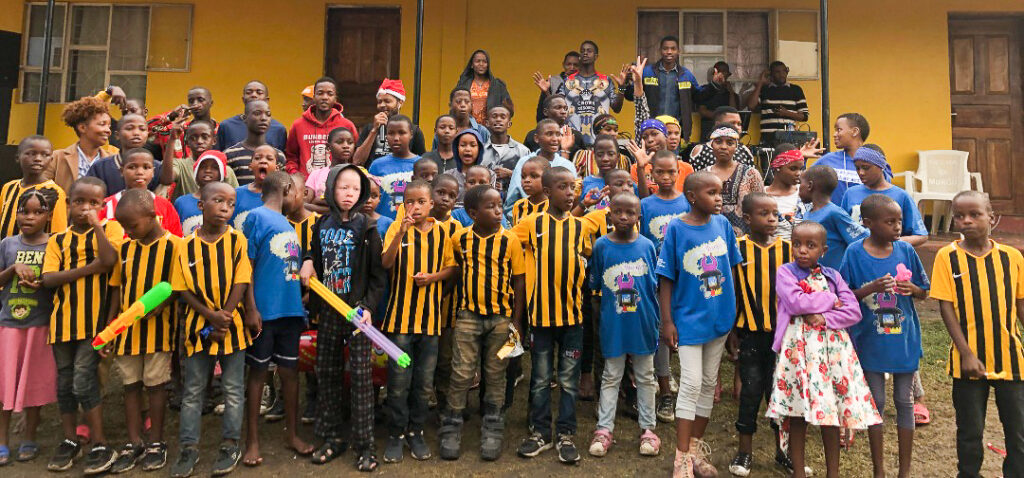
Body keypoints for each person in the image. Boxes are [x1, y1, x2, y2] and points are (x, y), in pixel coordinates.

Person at [766, 221, 881, 478]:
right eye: (797, 244)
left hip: (832, 355)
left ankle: (833, 473)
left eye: (810, 245)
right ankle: (798, 472)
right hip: (798, 353)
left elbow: (852, 311)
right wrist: (830, 300)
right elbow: (796, 303)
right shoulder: (786, 273)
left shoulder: (833, 276)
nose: (802, 250)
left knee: (831, 412)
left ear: (824, 250)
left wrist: (825, 318)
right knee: (798, 411)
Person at [298, 164, 386, 471]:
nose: (349, 194)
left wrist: (369, 308)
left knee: (362, 379)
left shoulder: (368, 227)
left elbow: (378, 277)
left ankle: (366, 446)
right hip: (329, 313)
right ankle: (332, 438)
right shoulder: (320, 224)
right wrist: (308, 261)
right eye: (343, 187)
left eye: (354, 189)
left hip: (358, 314)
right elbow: (312, 254)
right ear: (331, 189)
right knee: (328, 375)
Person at [932, 190, 1024, 477]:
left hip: (1011, 360)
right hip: (968, 362)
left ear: (992, 218)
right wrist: (968, 354)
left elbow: (1020, 305)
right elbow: (946, 309)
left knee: (1018, 433)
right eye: (959, 216)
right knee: (970, 433)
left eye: (975, 214)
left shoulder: (1012, 257)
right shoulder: (947, 257)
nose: (966, 221)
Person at [656, 171, 740, 478]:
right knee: (690, 383)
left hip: (720, 320)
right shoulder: (677, 229)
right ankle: (680, 458)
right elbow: (666, 278)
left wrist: (735, 321)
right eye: (712, 193)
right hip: (688, 321)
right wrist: (667, 321)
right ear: (692, 196)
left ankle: (694, 450)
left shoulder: (723, 225)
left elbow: (733, 270)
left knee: (707, 383)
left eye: (720, 192)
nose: (719, 198)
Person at [512, 166, 597, 464]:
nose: (570, 193)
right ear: (547, 192)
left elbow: (585, 256)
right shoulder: (531, 224)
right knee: (539, 378)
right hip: (541, 318)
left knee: (569, 379)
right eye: (563, 187)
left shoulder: (580, 227)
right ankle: (539, 433)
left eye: (572, 187)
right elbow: (510, 246)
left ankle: (566, 433)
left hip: (573, 318)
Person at [839, 194, 929, 478]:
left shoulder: (905, 251)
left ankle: (904, 470)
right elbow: (842, 296)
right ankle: (879, 469)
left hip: (904, 340)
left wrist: (912, 289)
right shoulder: (854, 253)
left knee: (905, 402)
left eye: (899, 221)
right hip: (870, 341)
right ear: (868, 223)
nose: (897, 227)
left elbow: (924, 291)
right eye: (890, 222)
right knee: (876, 401)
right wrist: (871, 288)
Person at [169, 182, 254, 478]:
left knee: (232, 388)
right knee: (193, 390)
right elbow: (181, 289)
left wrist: (225, 315)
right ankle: (188, 447)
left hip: (234, 327)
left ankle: (230, 443)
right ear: (201, 206)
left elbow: (242, 280)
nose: (225, 208)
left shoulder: (237, 240)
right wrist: (209, 316)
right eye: (218, 201)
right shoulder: (185, 245)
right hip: (197, 328)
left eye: (230, 204)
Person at [439, 184, 526, 461]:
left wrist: (517, 321)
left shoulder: (510, 240)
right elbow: (453, 275)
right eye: (491, 207)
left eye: (500, 205)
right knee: (461, 372)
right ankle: (452, 424)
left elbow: (519, 281)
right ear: (473, 213)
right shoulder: (460, 239)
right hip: (467, 316)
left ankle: (493, 424)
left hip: (501, 320)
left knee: (496, 373)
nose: (499, 211)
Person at [41, 177, 122, 474]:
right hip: (62, 323)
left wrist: (98, 225)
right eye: (79, 202)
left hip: (95, 324)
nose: (85, 208)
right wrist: (91, 269)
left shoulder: (110, 229)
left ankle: (100, 442)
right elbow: (48, 279)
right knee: (64, 383)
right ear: (68, 204)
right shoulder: (57, 240)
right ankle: (70, 438)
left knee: (82, 379)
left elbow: (110, 260)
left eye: (93, 203)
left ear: (103, 207)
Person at [104, 190, 182, 473]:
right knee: (130, 385)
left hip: (158, 332)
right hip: (127, 333)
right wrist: (111, 327)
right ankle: (134, 441)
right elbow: (117, 289)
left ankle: (156, 442)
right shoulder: (125, 249)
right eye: (123, 227)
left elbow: (179, 286)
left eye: (132, 226)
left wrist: (161, 306)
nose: (127, 231)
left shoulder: (176, 246)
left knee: (156, 385)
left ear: (153, 217)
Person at [380, 179, 458, 464]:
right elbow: (386, 263)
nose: (415, 207)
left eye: (421, 202)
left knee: (424, 382)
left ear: (431, 204)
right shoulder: (396, 228)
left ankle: (416, 431)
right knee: (399, 382)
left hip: (430, 324)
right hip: (399, 323)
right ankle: (396, 433)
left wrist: (432, 278)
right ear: (403, 205)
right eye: (409, 202)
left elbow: (452, 268)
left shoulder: (442, 232)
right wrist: (400, 232)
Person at [240, 172, 313, 465]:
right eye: (297, 189)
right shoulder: (256, 217)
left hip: (291, 312)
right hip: (265, 313)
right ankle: (252, 441)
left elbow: (289, 267)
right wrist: (250, 308)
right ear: (286, 189)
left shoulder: (287, 224)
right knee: (258, 374)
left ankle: (292, 434)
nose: (301, 195)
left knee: (290, 373)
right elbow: (246, 266)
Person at [587, 192, 662, 458]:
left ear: (638, 217)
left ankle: (648, 430)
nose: (623, 217)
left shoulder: (647, 247)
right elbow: (595, 284)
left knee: (644, 376)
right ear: (609, 213)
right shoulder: (601, 246)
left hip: (642, 323)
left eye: (630, 213)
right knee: (611, 376)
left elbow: (654, 287)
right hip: (613, 323)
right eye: (618, 211)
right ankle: (604, 429)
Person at [726, 193, 796, 477]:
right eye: (764, 213)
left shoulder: (789, 250)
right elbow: (732, 294)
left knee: (780, 394)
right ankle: (744, 452)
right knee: (751, 392)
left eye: (774, 213)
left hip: (783, 337)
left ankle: (784, 451)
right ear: (746, 218)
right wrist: (732, 332)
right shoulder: (738, 249)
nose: (771, 219)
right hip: (750, 336)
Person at [0, 190, 58, 465]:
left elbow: (57, 281)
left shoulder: (54, 245)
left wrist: (42, 281)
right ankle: (3, 442)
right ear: (16, 213)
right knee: (4, 386)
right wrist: (13, 270)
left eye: (38, 211)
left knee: (32, 385)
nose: (29, 216)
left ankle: (29, 438)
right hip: (9, 325)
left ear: (48, 216)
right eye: (24, 210)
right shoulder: (8, 245)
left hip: (40, 325)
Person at [635, 149, 690, 421]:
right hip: (656, 279)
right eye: (660, 172)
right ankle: (665, 391)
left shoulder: (687, 204)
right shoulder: (645, 206)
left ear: (679, 173)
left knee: (682, 331)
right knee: (661, 334)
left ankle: (689, 389)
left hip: (684, 279)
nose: (666, 177)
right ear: (651, 173)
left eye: (671, 172)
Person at [840, 145, 928, 247]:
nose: (861, 172)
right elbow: (842, 228)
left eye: (866, 167)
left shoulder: (901, 196)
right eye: (857, 168)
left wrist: (892, 244)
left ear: (881, 166)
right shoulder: (850, 194)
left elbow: (921, 236)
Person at [96, 148, 183, 238]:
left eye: (146, 167)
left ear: (153, 172)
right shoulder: (106, 205)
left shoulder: (165, 206)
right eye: (132, 167)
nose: (140, 172)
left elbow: (175, 240)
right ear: (122, 171)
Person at [796, 165, 868, 270]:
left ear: (809, 185)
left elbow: (864, 239)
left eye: (800, 183)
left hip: (834, 280)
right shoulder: (807, 214)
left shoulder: (834, 213)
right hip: (812, 279)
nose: (798, 188)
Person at [285, 77, 358, 179]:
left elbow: (354, 156)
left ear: (335, 98)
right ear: (314, 97)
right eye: (320, 93)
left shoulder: (347, 125)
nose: (325, 97)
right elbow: (291, 156)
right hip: (306, 186)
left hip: (337, 182)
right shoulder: (298, 125)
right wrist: (295, 174)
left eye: (330, 94)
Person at [504, 119, 577, 217]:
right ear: (537, 138)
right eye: (549, 134)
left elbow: (573, 198)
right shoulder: (525, 162)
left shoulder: (567, 165)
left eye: (558, 134)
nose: (555, 139)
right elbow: (512, 200)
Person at [86, 114, 174, 195]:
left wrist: (172, 140)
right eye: (129, 128)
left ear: (147, 134)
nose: (136, 133)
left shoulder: (156, 167)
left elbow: (167, 181)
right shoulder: (100, 167)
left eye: (142, 129)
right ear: (117, 135)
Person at [46, 97, 119, 194]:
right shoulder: (57, 158)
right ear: (82, 127)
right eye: (102, 124)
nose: (108, 131)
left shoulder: (113, 160)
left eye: (109, 126)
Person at [636, 36, 700, 144]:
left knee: (672, 160)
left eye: (673, 49)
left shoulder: (686, 75)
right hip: (651, 130)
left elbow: (699, 96)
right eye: (665, 49)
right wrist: (623, 85)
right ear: (660, 51)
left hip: (674, 132)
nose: (669, 52)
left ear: (678, 51)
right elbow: (631, 95)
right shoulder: (647, 72)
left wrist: (715, 85)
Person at [1, 136, 68, 238]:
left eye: (45, 155)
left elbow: (58, 233)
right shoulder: (9, 187)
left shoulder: (54, 192)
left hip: (35, 252)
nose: (38, 159)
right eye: (31, 154)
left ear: (51, 159)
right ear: (18, 157)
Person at [558, 41, 624, 145]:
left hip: (600, 139)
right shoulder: (568, 81)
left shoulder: (605, 81)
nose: (585, 53)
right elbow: (558, 106)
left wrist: (621, 88)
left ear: (596, 56)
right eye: (582, 51)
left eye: (589, 51)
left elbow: (616, 108)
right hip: (573, 140)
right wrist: (546, 92)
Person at [703, 125, 764, 236]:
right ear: (711, 145)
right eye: (718, 142)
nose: (723, 147)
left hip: (745, 241)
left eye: (730, 143)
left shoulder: (751, 174)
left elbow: (762, 208)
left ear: (736, 147)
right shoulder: (702, 176)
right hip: (710, 238)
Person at [354, 79, 427, 166]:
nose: (382, 105)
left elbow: (422, 164)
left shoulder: (414, 131)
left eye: (387, 101)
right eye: (379, 102)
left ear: (400, 102)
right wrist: (374, 131)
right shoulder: (370, 129)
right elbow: (357, 161)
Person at [166, 121, 240, 201]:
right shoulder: (180, 165)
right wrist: (172, 139)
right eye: (193, 138)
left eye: (205, 137)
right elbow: (166, 179)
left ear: (214, 140)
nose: (199, 141)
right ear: (187, 142)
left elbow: (235, 199)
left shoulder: (225, 170)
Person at [174, 151, 229, 257]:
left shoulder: (226, 203)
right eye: (203, 167)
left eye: (214, 167)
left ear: (221, 173)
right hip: (188, 256)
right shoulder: (181, 202)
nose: (208, 170)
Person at [810, 113, 873, 204]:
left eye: (839, 130)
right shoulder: (827, 160)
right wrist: (801, 158)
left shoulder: (873, 163)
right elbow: (803, 182)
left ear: (855, 131)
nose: (834, 134)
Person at [368, 115, 421, 219]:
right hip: (382, 228)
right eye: (391, 133)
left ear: (411, 134)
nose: (396, 138)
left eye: (402, 133)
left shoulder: (421, 164)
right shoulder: (377, 165)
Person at [223, 100, 287, 185]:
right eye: (257, 113)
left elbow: (281, 188)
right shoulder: (230, 155)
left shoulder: (278, 155)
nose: (264, 118)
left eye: (268, 114)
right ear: (244, 118)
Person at [746, 61, 809, 145]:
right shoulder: (765, 89)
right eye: (777, 72)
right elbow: (751, 106)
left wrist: (786, 113)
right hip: (768, 139)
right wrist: (760, 83)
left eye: (784, 71)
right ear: (771, 74)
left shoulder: (796, 90)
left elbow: (804, 116)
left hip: (789, 139)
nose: (781, 74)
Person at [147, 87, 218, 162]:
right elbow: (144, 129)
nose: (195, 104)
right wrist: (170, 117)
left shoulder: (221, 130)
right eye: (191, 101)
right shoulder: (178, 129)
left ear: (211, 103)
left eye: (200, 100)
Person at [215, 81, 288, 152]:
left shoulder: (279, 129)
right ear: (243, 99)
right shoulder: (226, 126)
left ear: (267, 100)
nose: (254, 95)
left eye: (259, 92)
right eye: (249, 92)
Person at [305, 126, 358, 214]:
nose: (346, 146)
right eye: (340, 142)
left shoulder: (358, 173)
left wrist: (317, 201)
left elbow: (353, 208)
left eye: (350, 143)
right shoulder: (316, 174)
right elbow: (305, 204)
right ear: (328, 147)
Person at [687, 106, 757, 172]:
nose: (737, 127)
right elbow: (694, 180)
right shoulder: (700, 151)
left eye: (739, 124)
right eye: (732, 123)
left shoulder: (744, 150)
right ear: (717, 124)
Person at [480, 106, 531, 195]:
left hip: (514, 203)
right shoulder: (479, 151)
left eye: (503, 117)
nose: (498, 120)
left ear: (509, 124)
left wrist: (510, 174)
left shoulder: (523, 151)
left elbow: (531, 179)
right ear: (487, 123)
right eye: (494, 116)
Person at [454, 50, 514, 124]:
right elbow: (455, 106)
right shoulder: (463, 84)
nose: (481, 64)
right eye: (478, 61)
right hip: (468, 128)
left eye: (484, 62)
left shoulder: (498, 86)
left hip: (491, 129)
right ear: (472, 65)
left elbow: (508, 109)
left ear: (488, 65)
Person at [231, 145, 280, 230]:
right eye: (257, 158)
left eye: (269, 159)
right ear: (250, 166)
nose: (263, 161)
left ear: (277, 168)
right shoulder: (236, 194)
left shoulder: (281, 196)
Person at [765, 146, 804, 241]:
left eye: (801, 168)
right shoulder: (762, 195)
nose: (798, 173)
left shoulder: (804, 193)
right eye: (793, 168)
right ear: (777, 167)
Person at [697, 62, 739, 142]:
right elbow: (702, 111)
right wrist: (723, 118)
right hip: (708, 129)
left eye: (725, 73)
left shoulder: (731, 94)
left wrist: (731, 92)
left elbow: (734, 112)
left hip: (727, 131)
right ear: (714, 74)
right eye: (720, 72)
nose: (722, 75)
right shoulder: (705, 90)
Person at [532, 51, 580, 122]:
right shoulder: (552, 82)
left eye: (576, 65)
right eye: (568, 64)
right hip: (557, 126)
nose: (572, 67)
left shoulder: (588, 83)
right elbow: (542, 112)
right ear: (563, 65)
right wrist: (546, 92)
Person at [508, 156, 550, 226]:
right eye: (523, 177)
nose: (526, 180)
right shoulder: (519, 206)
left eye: (534, 176)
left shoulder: (554, 206)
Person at [450, 129, 487, 206]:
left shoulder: (489, 175)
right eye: (463, 145)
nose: (467, 149)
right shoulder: (449, 175)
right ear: (457, 148)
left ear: (479, 149)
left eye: (473, 145)